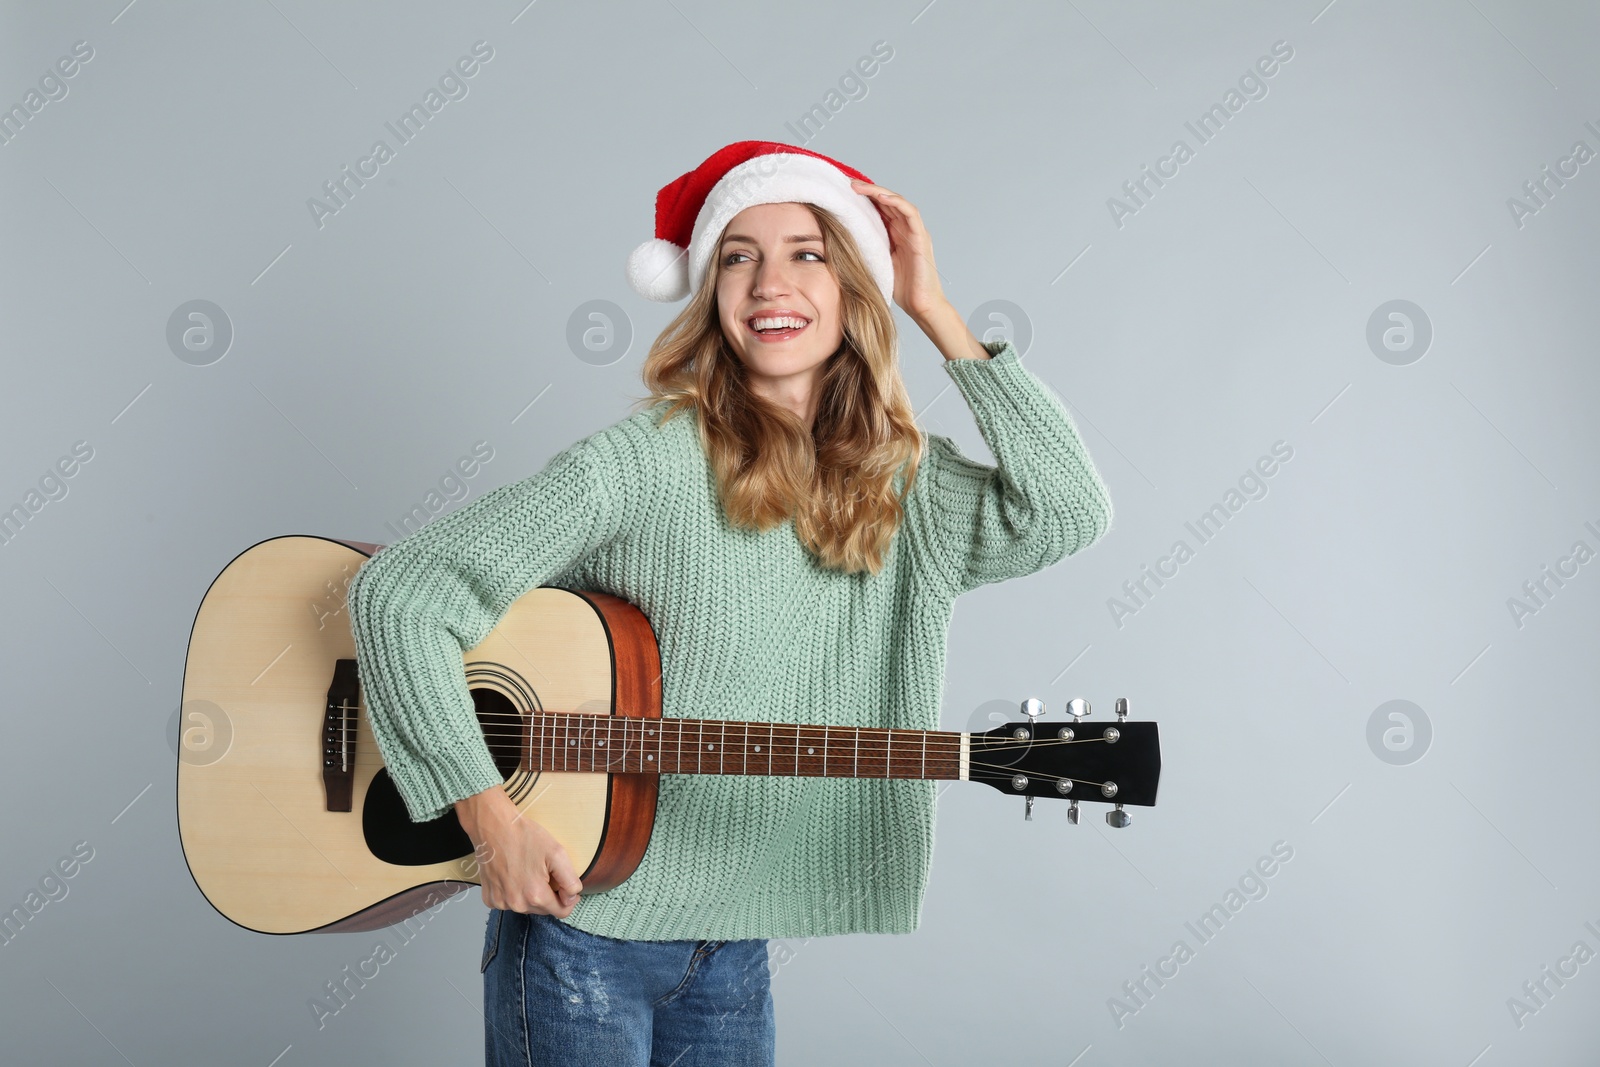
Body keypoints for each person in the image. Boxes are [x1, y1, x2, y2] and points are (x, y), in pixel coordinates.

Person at [345, 140, 1114, 1066]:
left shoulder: (903, 488)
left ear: (856, 291)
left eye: (807, 252)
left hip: (735, 943)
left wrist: (939, 312)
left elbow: (1068, 509)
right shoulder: (644, 462)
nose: (766, 282)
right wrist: (487, 814)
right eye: (738, 256)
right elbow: (402, 592)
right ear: (710, 293)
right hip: (580, 932)